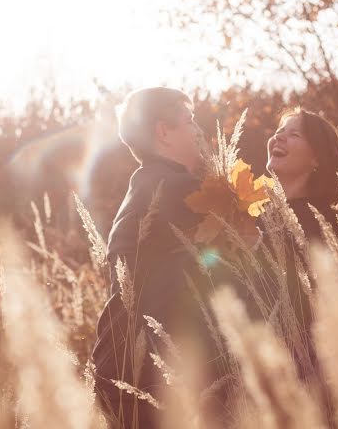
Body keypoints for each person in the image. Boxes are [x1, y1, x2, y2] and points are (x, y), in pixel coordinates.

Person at [91, 88, 227, 429]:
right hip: (146, 375)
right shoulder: (176, 188)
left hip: (128, 365)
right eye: (190, 121)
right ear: (163, 132)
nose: (198, 131)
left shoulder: (150, 182)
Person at [254, 106, 338, 420]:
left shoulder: (319, 222)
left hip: (306, 379)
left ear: (317, 159)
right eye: (279, 130)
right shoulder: (263, 217)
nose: (278, 136)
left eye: (293, 133)